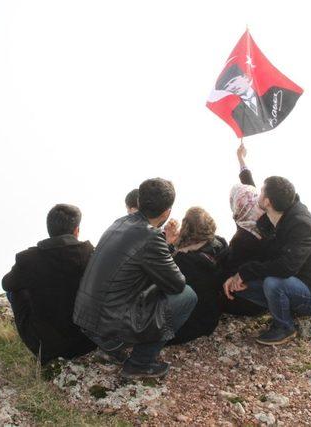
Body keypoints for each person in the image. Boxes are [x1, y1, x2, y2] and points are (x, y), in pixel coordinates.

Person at [73, 178, 197, 379]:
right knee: (188, 296)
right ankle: (140, 363)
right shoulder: (151, 236)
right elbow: (176, 284)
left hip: (86, 320)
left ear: (139, 201)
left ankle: (113, 348)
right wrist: (169, 247)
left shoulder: (120, 223)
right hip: (108, 329)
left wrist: (168, 246)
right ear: (167, 212)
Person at [224, 176, 311, 345]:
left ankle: (284, 327)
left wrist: (245, 271)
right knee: (239, 287)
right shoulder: (276, 216)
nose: (257, 195)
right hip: (294, 282)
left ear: (267, 202)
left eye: (261, 191)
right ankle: (283, 309)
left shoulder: (301, 225)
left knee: (273, 283)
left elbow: (286, 267)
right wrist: (239, 276)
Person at [2, 204, 96, 364]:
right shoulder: (92, 254)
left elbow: (6, 284)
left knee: (14, 290)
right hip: (88, 342)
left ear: (49, 229)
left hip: (47, 347)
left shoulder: (28, 259)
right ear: (76, 230)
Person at [219, 143, 268, 316]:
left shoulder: (243, 239)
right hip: (267, 286)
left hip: (252, 299)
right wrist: (241, 159)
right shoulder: (266, 214)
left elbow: (229, 271)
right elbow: (249, 184)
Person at [168, 207, 227, 345]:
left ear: (185, 228)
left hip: (191, 323)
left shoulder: (183, 260)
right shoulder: (221, 244)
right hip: (211, 316)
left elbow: (164, 278)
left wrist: (169, 244)